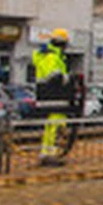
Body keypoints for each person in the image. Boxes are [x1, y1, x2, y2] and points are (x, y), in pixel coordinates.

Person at [33, 28, 71, 166]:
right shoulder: (52, 57)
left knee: (51, 127)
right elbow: (54, 76)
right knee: (56, 127)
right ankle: (51, 155)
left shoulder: (49, 55)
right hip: (55, 95)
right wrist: (67, 79)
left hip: (48, 96)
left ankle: (47, 153)